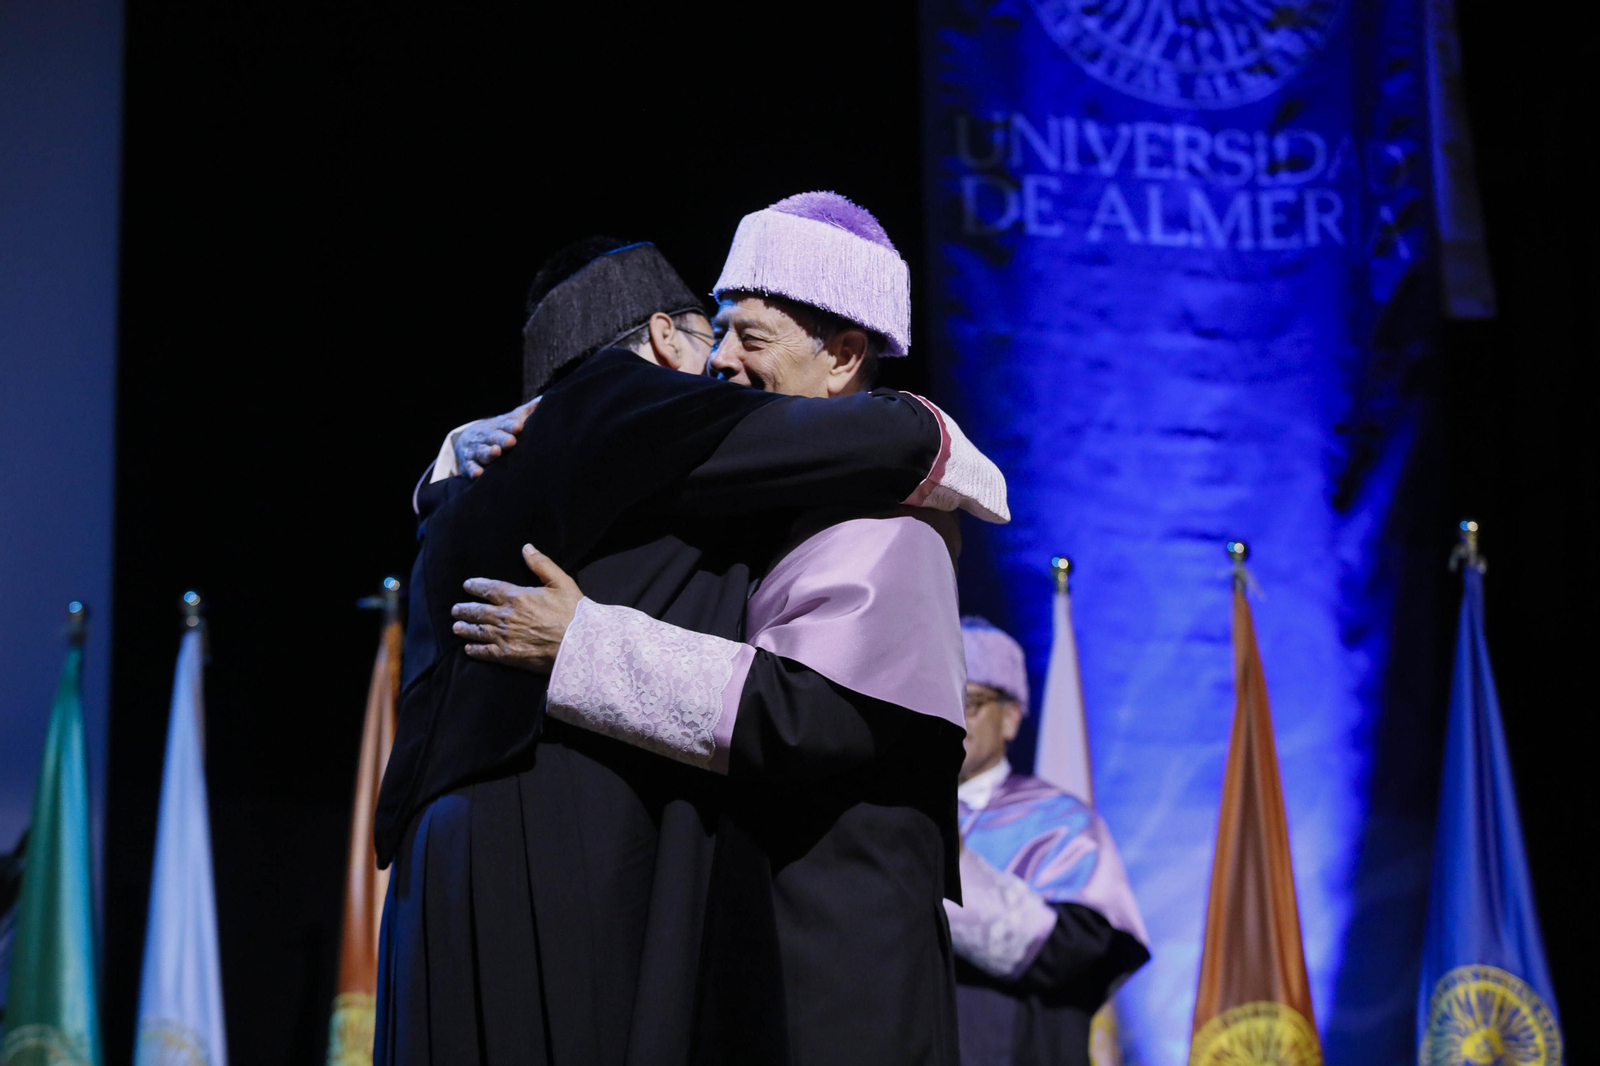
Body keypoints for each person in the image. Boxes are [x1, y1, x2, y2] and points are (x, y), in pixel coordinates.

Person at [377, 207, 1005, 1066]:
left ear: (845, 357)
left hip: (837, 948)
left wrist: (583, 646)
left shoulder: (887, 521)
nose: (719, 361)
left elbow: (821, 718)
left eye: (748, 335)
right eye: (719, 331)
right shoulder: (723, 488)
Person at [944, 619, 1150, 1066]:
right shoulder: (890, 816)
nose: (951, 717)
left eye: (970, 701)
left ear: (1011, 718)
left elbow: (1077, 951)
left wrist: (947, 870)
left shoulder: (1061, 824)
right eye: (938, 699)